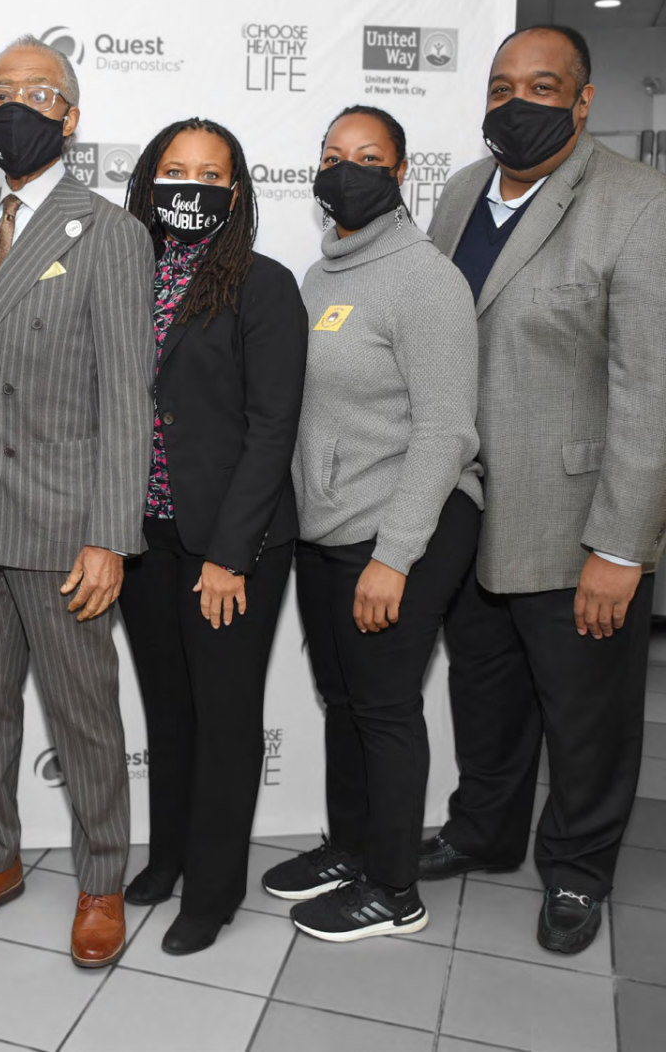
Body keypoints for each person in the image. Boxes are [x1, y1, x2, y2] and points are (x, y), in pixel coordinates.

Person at [421, 25, 666, 955]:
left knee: (586, 712)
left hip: (575, 525)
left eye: (543, 84)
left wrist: (621, 547)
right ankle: (484, 831)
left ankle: (577, 866)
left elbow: (651, 391)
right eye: (500, 85)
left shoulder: (639, 204)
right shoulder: (454, 197)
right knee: (486, 696)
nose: (516, 102)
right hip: (468, 513)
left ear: (583, 99)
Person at [0, 35, 154, 968]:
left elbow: (128, 398)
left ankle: (101, 877)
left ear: (71, 115)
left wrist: (109, 535)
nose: (14, 105)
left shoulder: (109, 231)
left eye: (36, 90)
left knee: (82, 713)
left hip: (64, 526)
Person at [262, 105, 483, 943]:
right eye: (330, 154)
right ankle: (351, 848)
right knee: (343, 700)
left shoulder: (426, 280)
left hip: (405, 528)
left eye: (367, 156)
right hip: (330, 531)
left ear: (400, 174)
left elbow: (444, 430)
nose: (344, 169)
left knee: (385, 706)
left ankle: (395, 889)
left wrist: (395, 557)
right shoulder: (322, 277)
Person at [117, 119, 306, 954]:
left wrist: (231, 555)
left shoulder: (262, 286)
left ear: (235, 191)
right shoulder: (126, 276)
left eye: (210, 173)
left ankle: (215, 890)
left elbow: (273, 430)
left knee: (225, 716)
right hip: (146, 536)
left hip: (233, 546)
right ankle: (169, 859)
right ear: (149, 183)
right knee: (168, 710)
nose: (189, 186)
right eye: (173, 170)